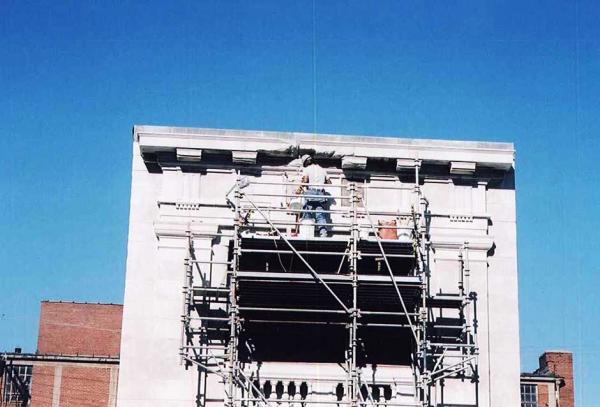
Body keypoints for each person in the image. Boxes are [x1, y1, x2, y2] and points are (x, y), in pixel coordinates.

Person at [296, 154, 331, 237]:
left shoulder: (307, 169)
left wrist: (299, 189)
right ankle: (323, 233)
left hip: (311, 192)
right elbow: (329, 182)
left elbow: (305, 181)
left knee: (307, 212)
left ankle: (306, 233)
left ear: (307, 162)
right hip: (321, 194)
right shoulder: (322, 169)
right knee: (320, 214)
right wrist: (320, 182)